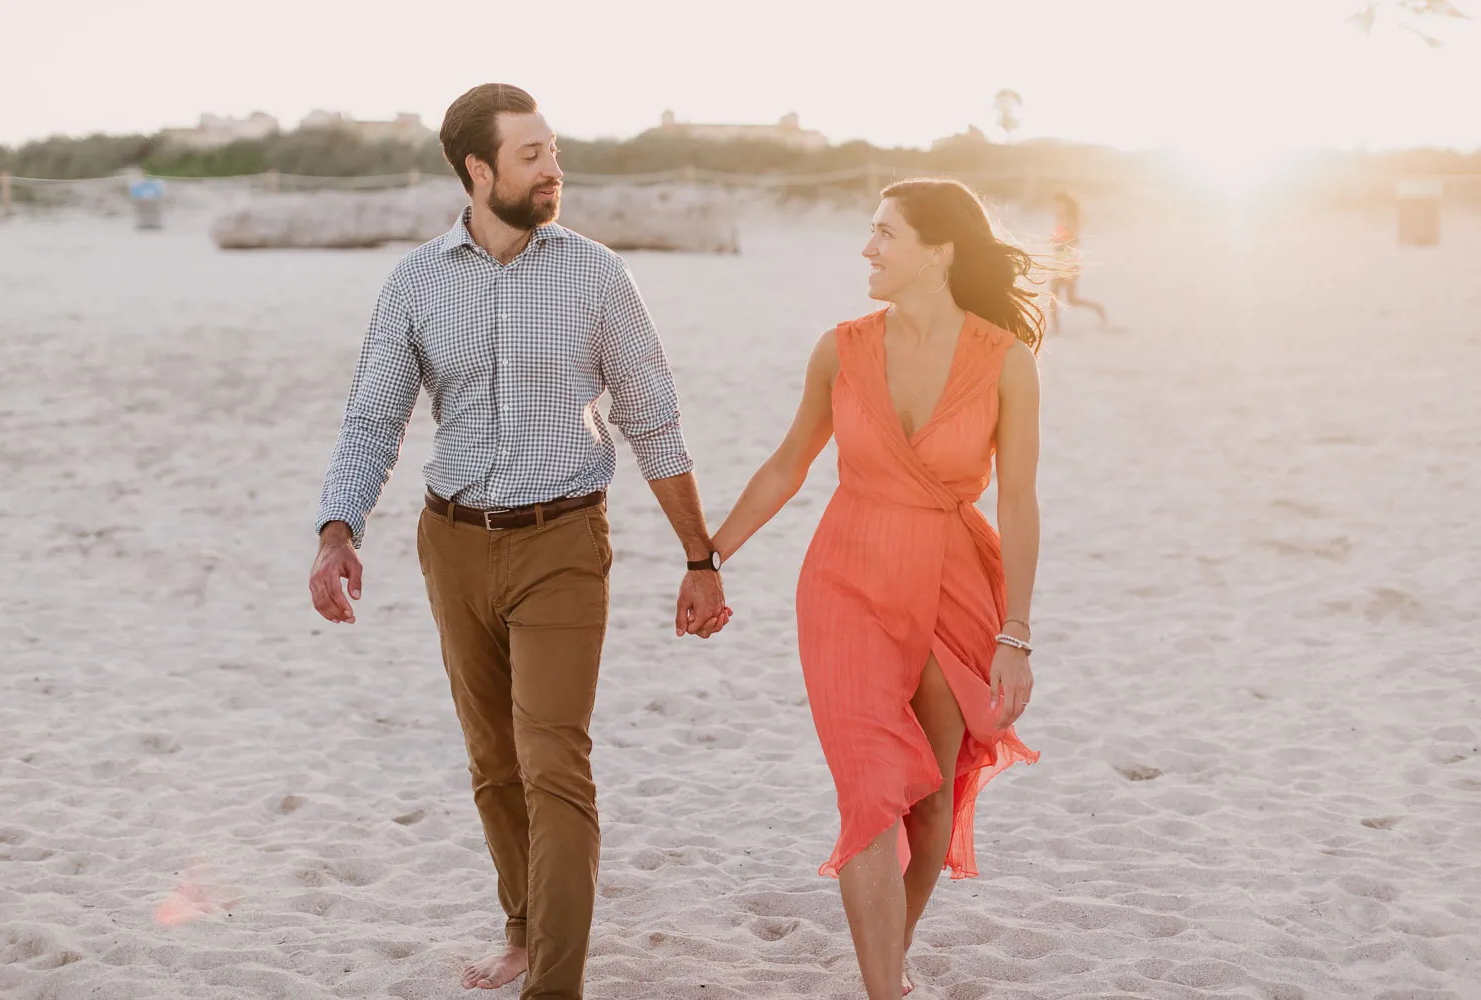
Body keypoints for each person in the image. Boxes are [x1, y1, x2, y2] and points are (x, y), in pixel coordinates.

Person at [306, 83, 731, 1000]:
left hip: (564, 543)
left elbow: (654, 420)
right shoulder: (416, 282)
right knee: (494, 763)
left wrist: (700, 558)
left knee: (553, 761)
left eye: (553, 151)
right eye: (532, 155)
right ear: (477, 170)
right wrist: (339, 529)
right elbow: (374, 418)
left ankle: (555, 986)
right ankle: (524, 929)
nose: (553, 170)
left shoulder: (597, 274)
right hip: (451, 544)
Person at [710, 178, 1042, 1000]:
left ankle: (885, 964)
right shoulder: (842, 348)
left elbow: (1021, 501)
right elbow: (790, 464)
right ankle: (884, 993)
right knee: (869, 789)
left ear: (940, 250)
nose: (868, 248)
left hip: (954, 584)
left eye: (885, 234)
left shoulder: (1006, 361)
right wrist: (708, 556)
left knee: (928, 802)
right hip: (847, 580)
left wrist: (1017, 633)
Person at [1048, 190, 1108, 330]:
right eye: (1056, 205)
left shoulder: (1070, 221)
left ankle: (1057, 329)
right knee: (1067, 298)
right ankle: (1097, 308)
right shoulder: (1062, 220)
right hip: (1061, 261)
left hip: (1068, 262)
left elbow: (1071, 241)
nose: (1057, 208)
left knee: (1060, 297)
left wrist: (1059, 243)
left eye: (1060, 205)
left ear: (1066, 205)